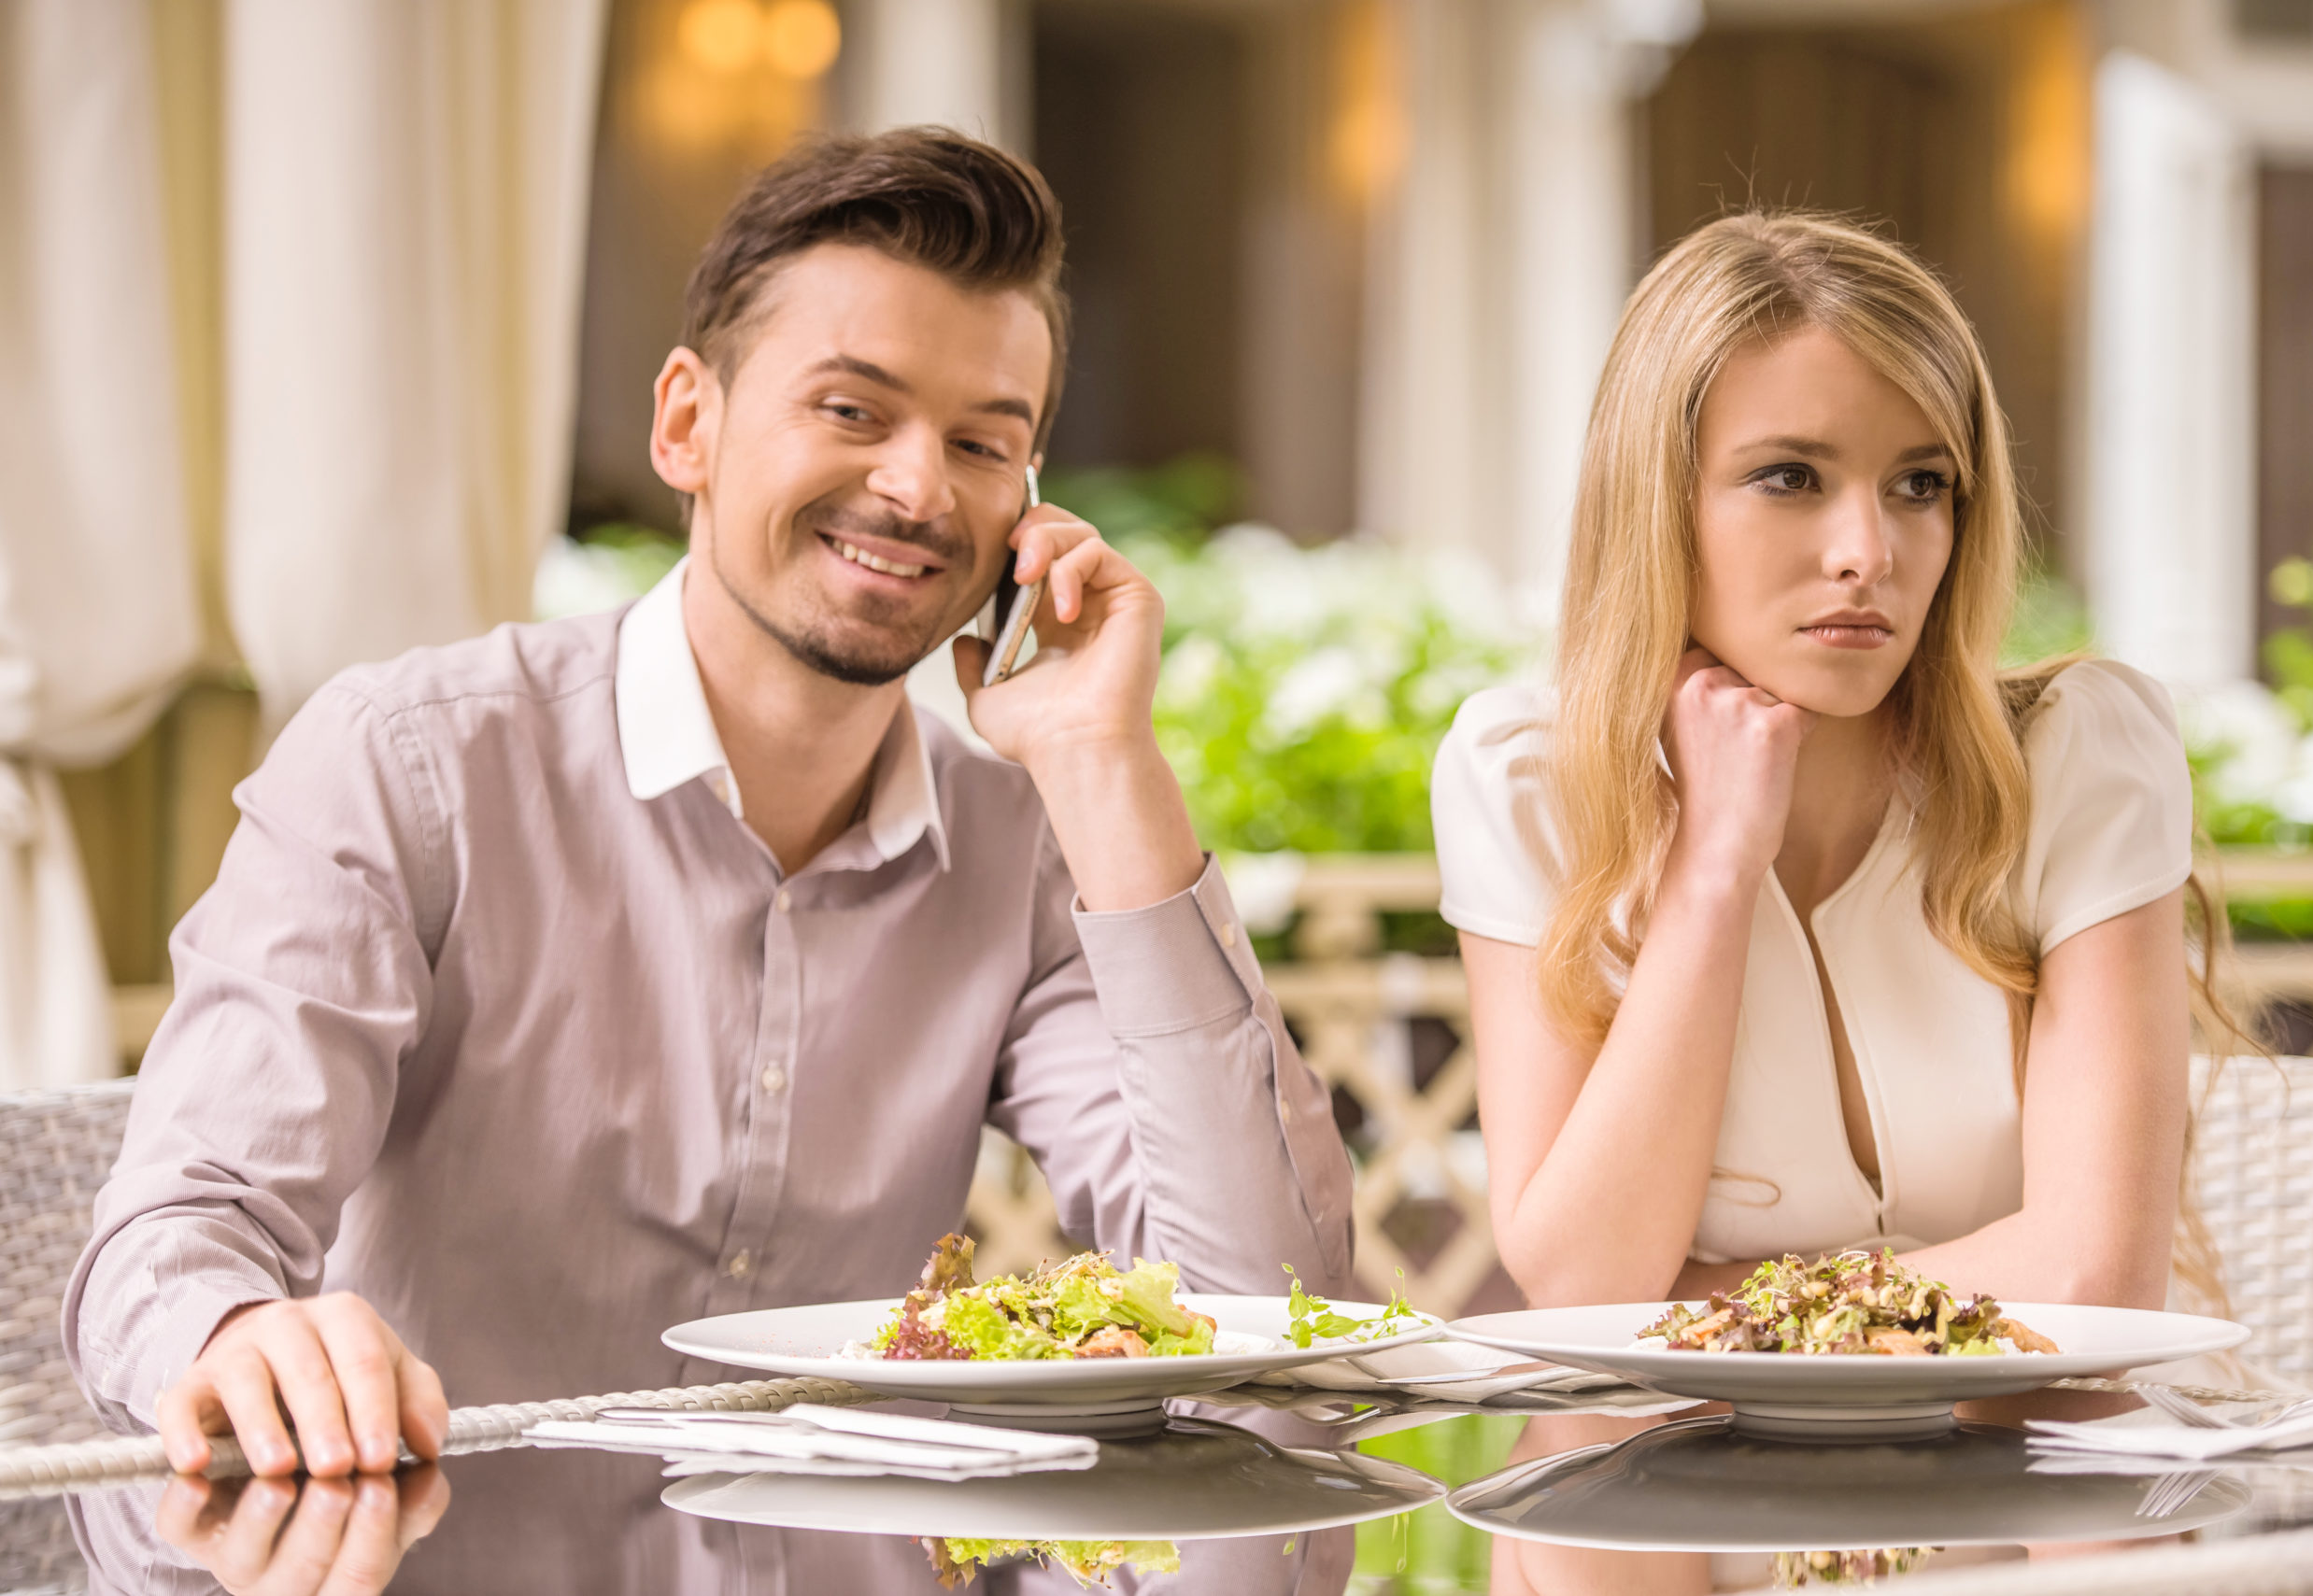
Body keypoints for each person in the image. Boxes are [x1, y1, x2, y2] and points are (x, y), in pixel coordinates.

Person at [66, 128, 1353, 1482]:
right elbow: (179, 1233)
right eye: (853, 410)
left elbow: (1276, 1323)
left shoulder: (1027, 851)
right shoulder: (410, 768)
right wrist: (242, 1328)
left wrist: (1106, 765)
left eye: (983, 441)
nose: (920, 488)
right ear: (688, 422)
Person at [1434, 211, 2219, 1312]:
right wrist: (1713, 865)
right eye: (1790, 476)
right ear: (1657, 502)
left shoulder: (2078, 755)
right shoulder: (1525, 779)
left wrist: (1697, 1303)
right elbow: (1580, 1280)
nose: (1869, 553)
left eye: (1919, 484)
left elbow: (2095, 1274)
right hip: (1671, 1474)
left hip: (2038, 1463)